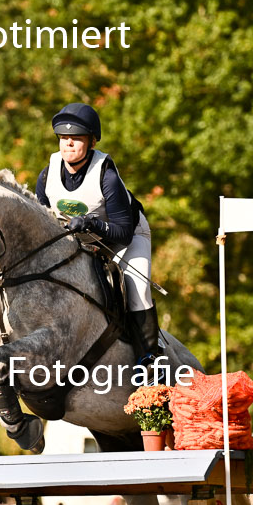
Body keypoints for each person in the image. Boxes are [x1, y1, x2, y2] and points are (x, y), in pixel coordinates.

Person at [36, 103, 165, 383]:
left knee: (137, 288)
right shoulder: (47, 175)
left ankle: (150, 360)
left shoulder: (107, 176)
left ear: (92, 142)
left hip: (126, 237)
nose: (68, 143)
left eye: (77, 138)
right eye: (63, 138)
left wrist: (92, 223)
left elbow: (123, 233)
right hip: (81, 240)